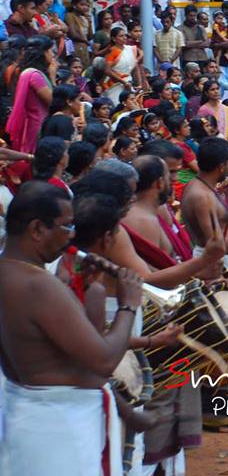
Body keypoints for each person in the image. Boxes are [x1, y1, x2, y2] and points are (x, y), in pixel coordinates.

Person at [0, 182, 142, 475]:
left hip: (28, 419)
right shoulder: (38, 284)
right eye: (66, 226)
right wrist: (128, 305)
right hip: (60, 428)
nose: (72, 235)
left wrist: (84, 290)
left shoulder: (13, 272)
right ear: (37, 229)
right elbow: (103, 361)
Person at [7, 36, 55, 155]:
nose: (52, 55)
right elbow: (54, 102)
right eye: (49, 51)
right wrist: (53, 77)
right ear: (42, 53)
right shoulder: (34, 75)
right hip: (37, 124)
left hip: (37, 121)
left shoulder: (28, 72)